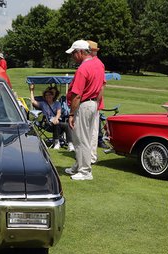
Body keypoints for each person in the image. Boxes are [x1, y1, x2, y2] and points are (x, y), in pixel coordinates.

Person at [64, 39, 106, 181]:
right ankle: (79, 165)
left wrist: (71, 114)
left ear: (81, 52)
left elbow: (77, 95)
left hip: (83, 105)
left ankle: (85, 171)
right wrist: (96, 104)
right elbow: (101, 88)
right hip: (93, 104)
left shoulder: (83, 69)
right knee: (84, 138)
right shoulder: (99, 64)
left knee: (81, 139)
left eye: (74, 53)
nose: (72, 56)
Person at [29, 84, 74, 150]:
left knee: (66, 125)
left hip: (57, 121)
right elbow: (33, 101)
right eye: (46, 95)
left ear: (53, 96)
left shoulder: (57, 103)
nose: (48, 96)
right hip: (47, 123)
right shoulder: (42, 104)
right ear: (44, 97)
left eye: (50, 95)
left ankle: (70, 144)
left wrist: (56, 119)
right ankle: (56, 143)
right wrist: (31, 90)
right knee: (56, 124)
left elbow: (59, 113)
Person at [87, 40, 109, 149]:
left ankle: (88, 156)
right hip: (95, 101)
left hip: (90, 101)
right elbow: (102, 85)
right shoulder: (100, 64)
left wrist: (96, 101)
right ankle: (91, 155)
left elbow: (102, 86)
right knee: (94, 130)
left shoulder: (91, 64)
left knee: (88, 131)